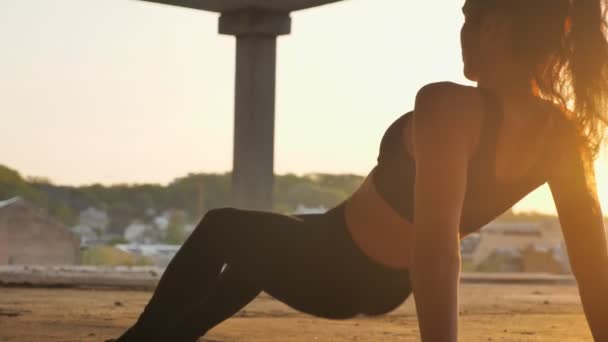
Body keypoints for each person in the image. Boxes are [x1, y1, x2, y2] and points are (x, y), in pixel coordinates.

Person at [115, 0, 608, 340]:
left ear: (494, 28)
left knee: (221, 227)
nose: (461, 32)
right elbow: (592, 265)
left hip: (336, 263)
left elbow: (436, 247)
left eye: (465, 16)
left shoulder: (448, 106)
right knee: (256, 252)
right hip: (372, 272)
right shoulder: (562, 133)